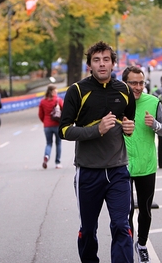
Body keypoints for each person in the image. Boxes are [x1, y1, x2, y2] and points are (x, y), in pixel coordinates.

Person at [58, 41, 136, 263]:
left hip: (118, 171)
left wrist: (130, 129)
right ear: (89, 65)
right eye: (96, 60)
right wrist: (96, 130)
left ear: (113, 63)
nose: (102, 64)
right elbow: (64, 130)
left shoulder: (125, 90)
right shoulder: (77, 91)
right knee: (88, 230)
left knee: (122, 225)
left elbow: (127, 122)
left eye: (106, 60)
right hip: (89, 172)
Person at [122, 66, 162, 263]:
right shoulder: (117, 103)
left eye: (141, 83)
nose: (138, 87)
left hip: (146, 166)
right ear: (125, 83)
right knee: (125, 211)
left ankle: (141, 244)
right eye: (133, 83)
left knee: (145, 210)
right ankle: (127, 246)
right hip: (122, 166)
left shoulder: (153, 101)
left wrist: (155, 125)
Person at [38, 84, 63, 169]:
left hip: (47, 126)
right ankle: (57, 162)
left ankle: (46, 156)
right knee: (58, 143)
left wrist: (45, 121)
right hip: (57, 125)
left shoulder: (42, 101)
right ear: (52, 91)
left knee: (48, 143)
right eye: (56, 90)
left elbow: (40, 114)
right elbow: (64, 110)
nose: (57, 92)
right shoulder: (58, 100)